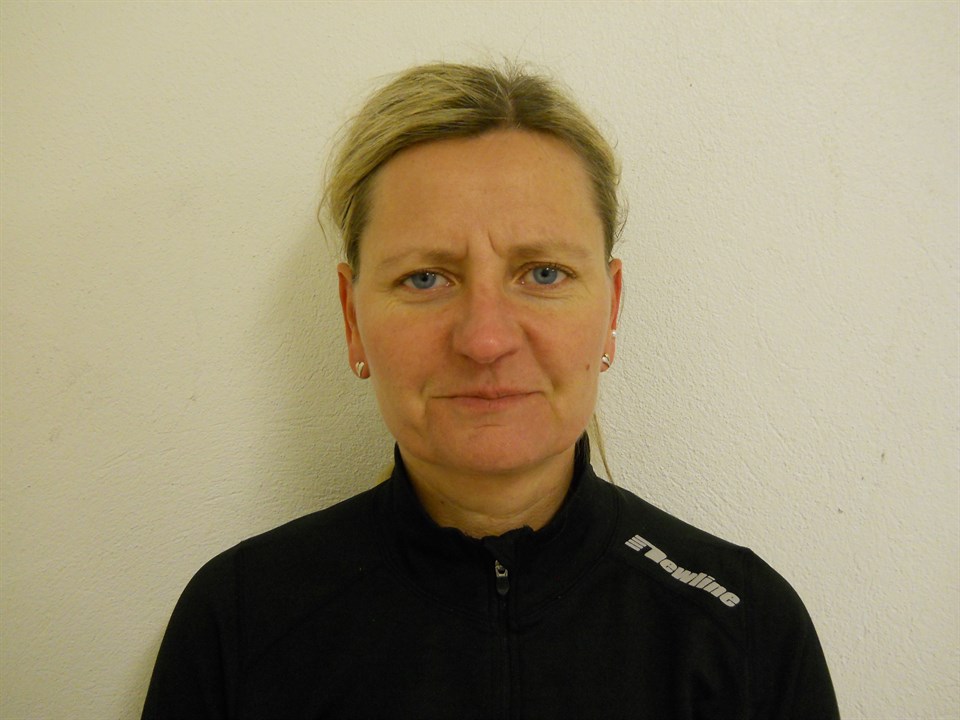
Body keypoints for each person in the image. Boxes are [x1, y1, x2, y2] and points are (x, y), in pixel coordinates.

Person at [142, 62, 840, 719]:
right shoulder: (238, 622)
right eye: (425, 278)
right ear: (353, 320)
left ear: (612, 307)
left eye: (543, 274)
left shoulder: (745, 629)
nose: (484, 339)